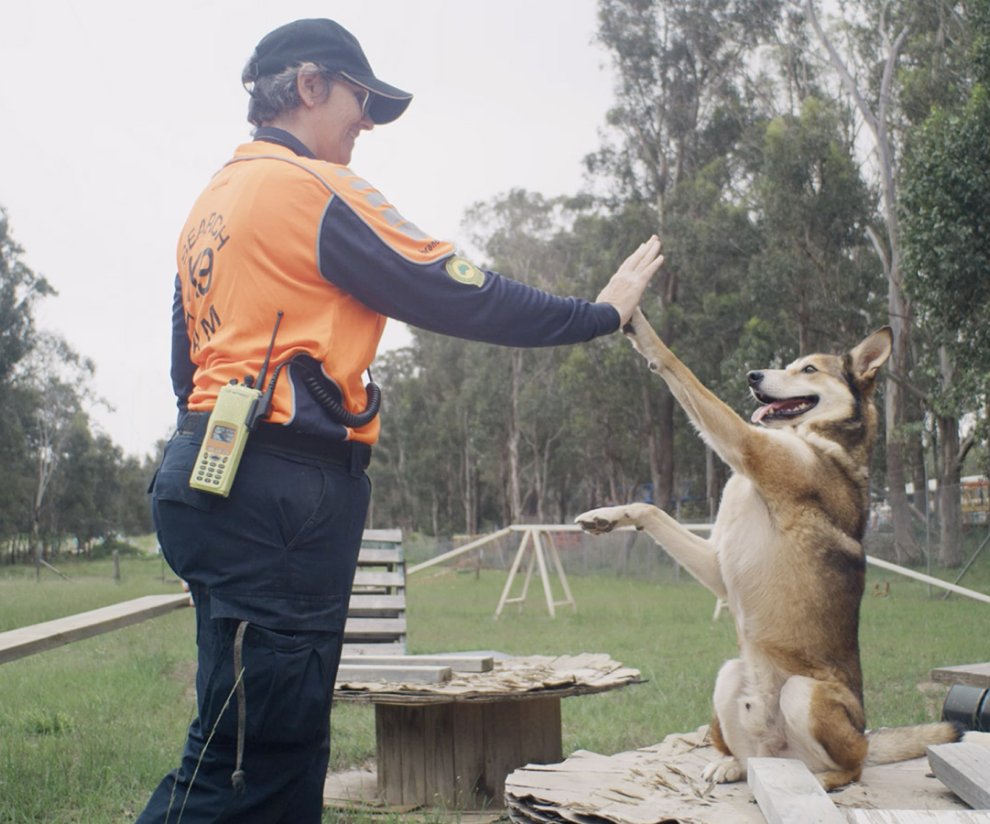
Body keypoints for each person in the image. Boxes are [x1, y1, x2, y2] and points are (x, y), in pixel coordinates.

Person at [138, 18, 664, 824]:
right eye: (362, 99)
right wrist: (595, 314)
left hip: (209, 476)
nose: (369, 122)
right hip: (280, 495)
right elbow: (455, 289)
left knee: (243, 744)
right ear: (310, 85)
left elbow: (186, 367)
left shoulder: (209, 205)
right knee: (256, 765)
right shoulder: (311, 190)